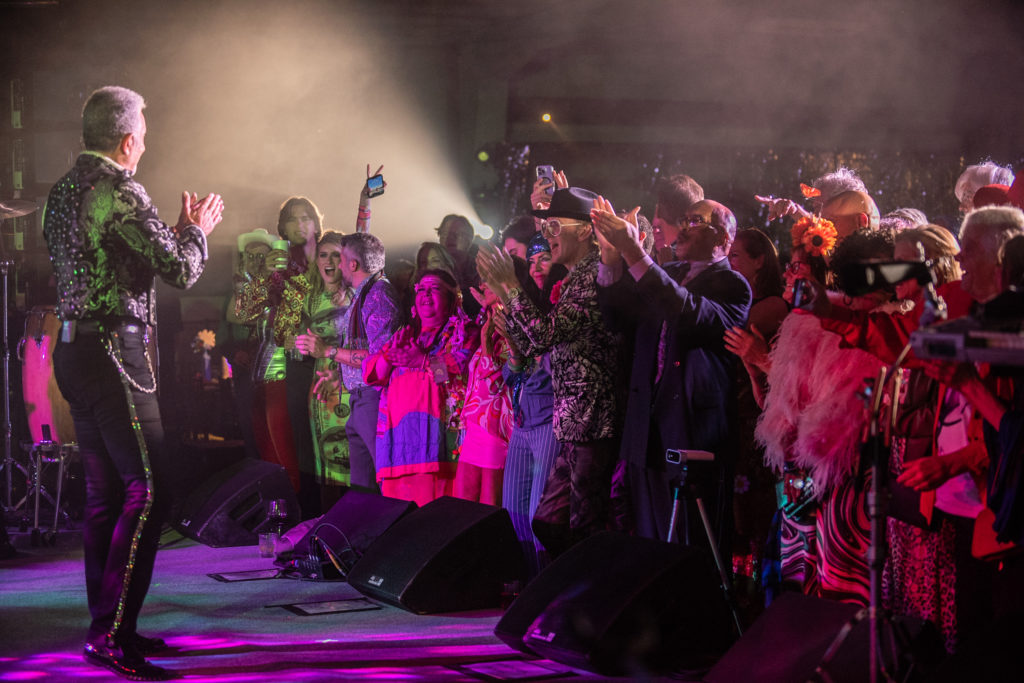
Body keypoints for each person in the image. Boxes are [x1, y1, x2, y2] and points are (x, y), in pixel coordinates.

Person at [44, 85, 223, 681]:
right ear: (126, 140)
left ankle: (109, 626)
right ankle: (112, 632)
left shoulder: (63, 191)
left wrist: (164, 235)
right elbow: (183, 270)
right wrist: (194, 230)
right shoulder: (121, 188)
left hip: (73, 350)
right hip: (113, 352)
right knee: (149, 490)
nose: (145, 143)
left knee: (106, 497)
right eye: (143, 133)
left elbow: (111, 260)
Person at [593, 197, 751, 555]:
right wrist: (611, 256)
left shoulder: (733, 285)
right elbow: (616, 318)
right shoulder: (672, 273)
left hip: (690, 432)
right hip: (646, 428)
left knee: (691, 545)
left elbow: (685, 311)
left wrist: (635, 251)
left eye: (695, 221)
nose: (682, 228)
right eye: (683, 219)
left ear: (723, 240)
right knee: (649, 542)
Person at [477, 186, 622, 558]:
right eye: (546, 226)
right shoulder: (573, 277)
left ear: (587, 230)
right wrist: (500, 288)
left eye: (556, 226)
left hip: (593, 421)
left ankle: (588, 605)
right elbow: (530, 345)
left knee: (585, 526)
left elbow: (543, 336)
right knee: (548, 522)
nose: (547, 235)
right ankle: (567, 593)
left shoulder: (594, 275)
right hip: (571, 422)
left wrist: (508, 285)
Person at [364, 269, 478, 505]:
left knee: (436, 519)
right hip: (398, 451)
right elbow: (374, 376)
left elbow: (459, 372)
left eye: (434, 289)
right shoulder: (405, 334)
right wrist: (388, 357)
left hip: (438, 453)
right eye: (421, 289)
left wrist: (423, 361)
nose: (426, 294)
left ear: (453, 299)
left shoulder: (464, 333)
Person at [313, 231, 401, 493]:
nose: (338, 265)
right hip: (360, 400)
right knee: (362, 488)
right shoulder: (365, 293)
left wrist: (328, 351)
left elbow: (381, 357)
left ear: (353, 264)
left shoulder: (378, 294)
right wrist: (340, 374)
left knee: (386, 480)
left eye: (341, 259)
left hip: (374, 398)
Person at [501, 233, 561, 577]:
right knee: (513, 513)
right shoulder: (524, 306)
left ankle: (545, 587)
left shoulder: (559, 306)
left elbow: (554, 371)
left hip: (549, 421)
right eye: (533, 260)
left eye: (545, 258)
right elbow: (514, 375)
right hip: (522, 422)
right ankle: (528, 583)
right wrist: (513, 352)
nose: (537, 266)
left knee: (541, 515)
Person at [294, 231, 352, 510]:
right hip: (319, 387)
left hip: (350, 383)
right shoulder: (310, 299)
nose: (329, 261)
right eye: (323, 254)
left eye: (336, 255)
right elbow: (292, 339)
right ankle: (328, 527)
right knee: (327, 463)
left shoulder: (357, 296)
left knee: (353, 463)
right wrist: (301, 344)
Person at [453, 276, 517, 506]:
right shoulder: (491, 324)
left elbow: (496, 386)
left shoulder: (511, 329)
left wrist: (486, 342)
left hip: (494, 433)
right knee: (463, 507)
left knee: (487, 507)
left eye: (488, 280)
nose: (481, 286)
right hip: (475, 431)